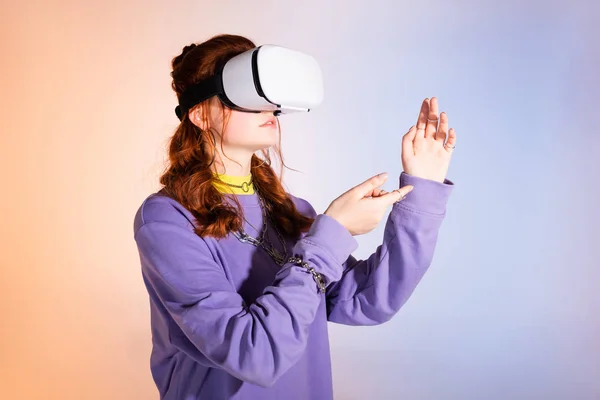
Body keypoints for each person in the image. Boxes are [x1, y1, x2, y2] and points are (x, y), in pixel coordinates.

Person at [133, 33, 456, 400]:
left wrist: (422, 191)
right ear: (200, 113)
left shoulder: (291, 212)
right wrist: (331, 233)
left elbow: (369, 301)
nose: (268, 106)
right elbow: (254, 355)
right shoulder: (167, 219)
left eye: (269, 94)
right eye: (245, 93)